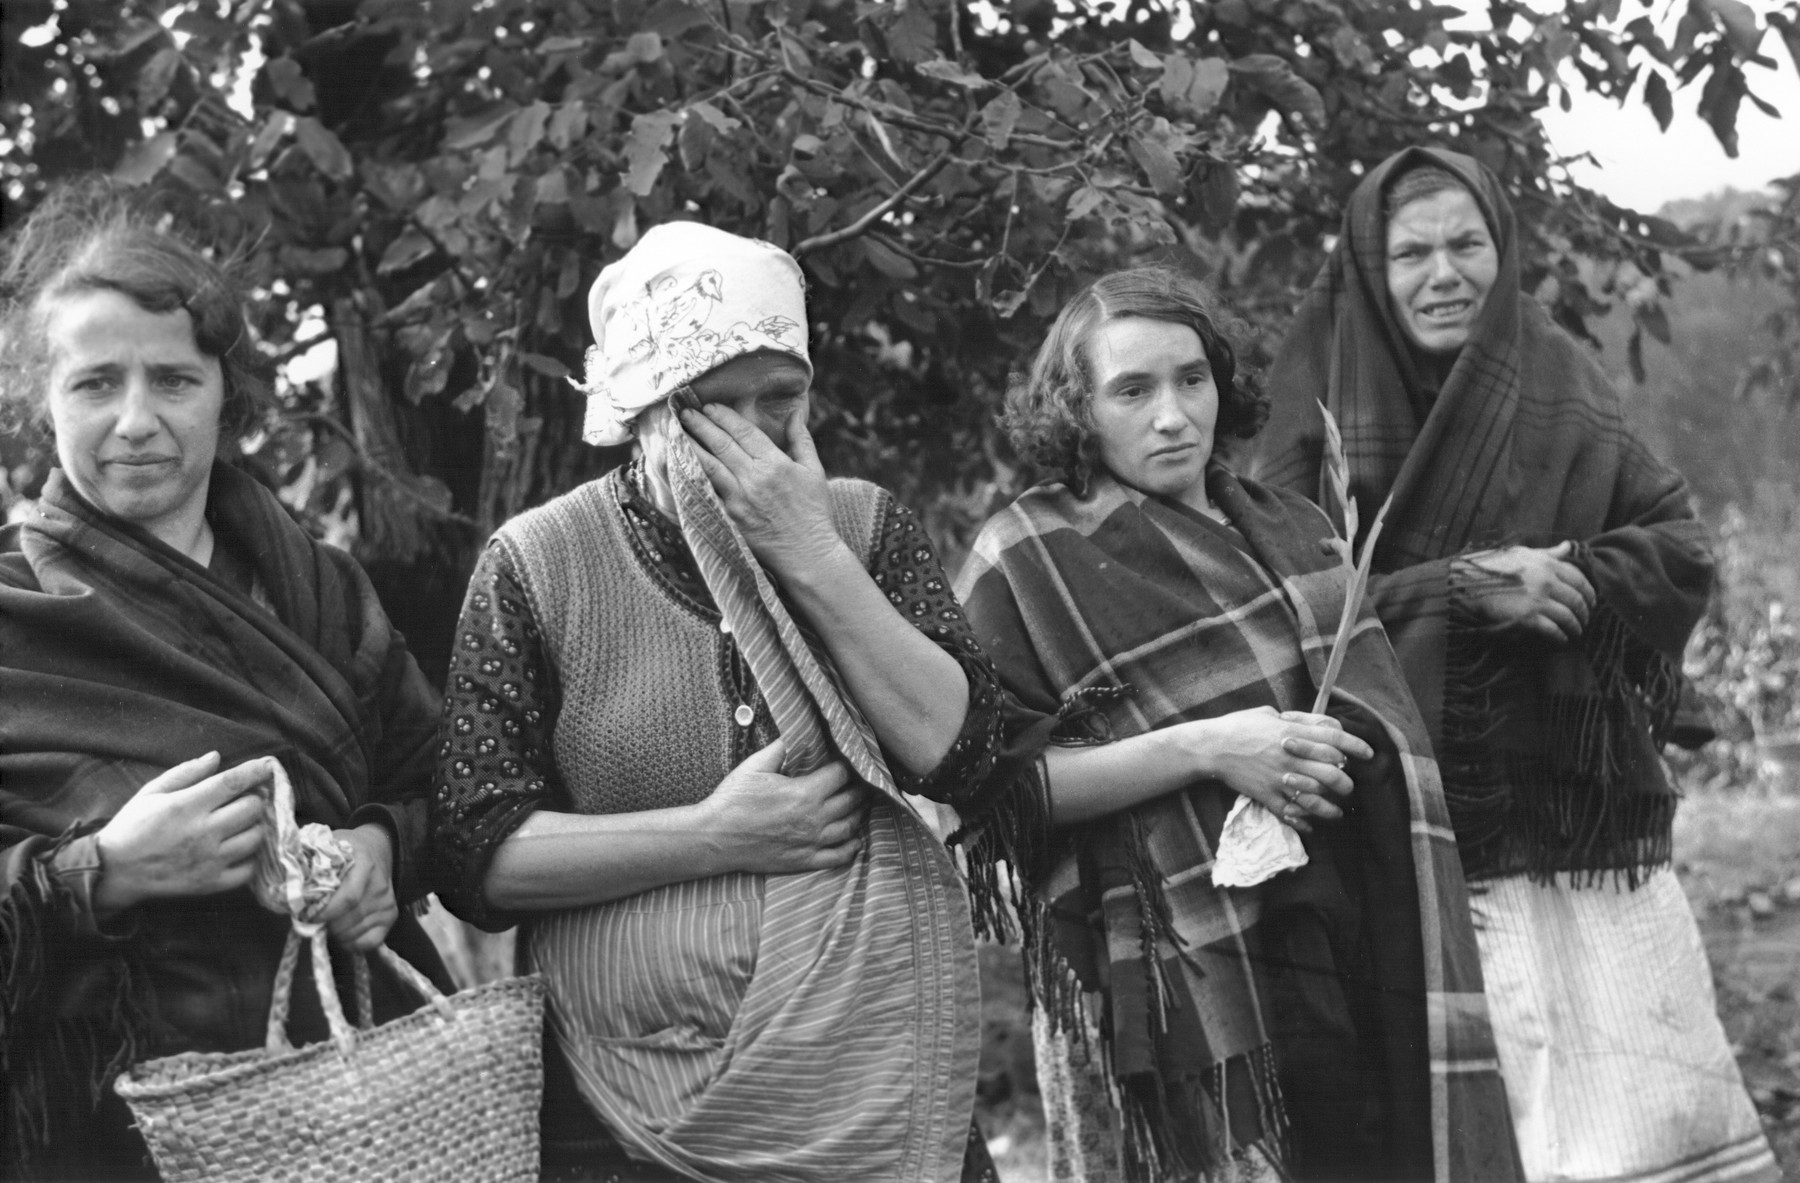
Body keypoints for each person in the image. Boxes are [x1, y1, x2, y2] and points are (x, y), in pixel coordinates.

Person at [430, 222, 1024, 1183]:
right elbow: (473, 853)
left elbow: (963, 756)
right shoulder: (537, 565)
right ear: (640, 410)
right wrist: (717, 834)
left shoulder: (863, 529)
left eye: (777, 403)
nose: (749, 441)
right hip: (629, 1113)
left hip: (872, 1076)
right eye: (708, 411)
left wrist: (812, 554)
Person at [1254, 146, 1777, 1183]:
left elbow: (1676, 544)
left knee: (1638, 1110)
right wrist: (1460, 589)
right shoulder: (1314, 398)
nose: (1444, 273)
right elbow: (1270, 609)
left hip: (1579, 824)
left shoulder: (1554, 376)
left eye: (1467, 244)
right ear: (1369, 264)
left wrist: (1575, 574)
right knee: (1475, 1123)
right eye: (1413, 252)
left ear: (1502, 247)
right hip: (1405, 839)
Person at [954, 264, 1520, 1182]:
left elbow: (1385, 722)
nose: (1172, 415)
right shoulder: (1026, 559)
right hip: (1174, 980)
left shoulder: (1294, 525)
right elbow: (1000, 788)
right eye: (1131, 390)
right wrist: (1213, 746)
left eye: (1191, 378)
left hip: (1352, 930)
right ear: (1077, 407)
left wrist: (1343, 755)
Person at [0, 182, 450, 1180]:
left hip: (364, 1103)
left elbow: (441, 786)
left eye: (172, 380)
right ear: (42, 398)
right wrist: (103, 870)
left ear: (225, 392)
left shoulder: (324, 590)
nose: (135, 421)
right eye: (94, 384)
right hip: (107, 1128)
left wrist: (379, 847)